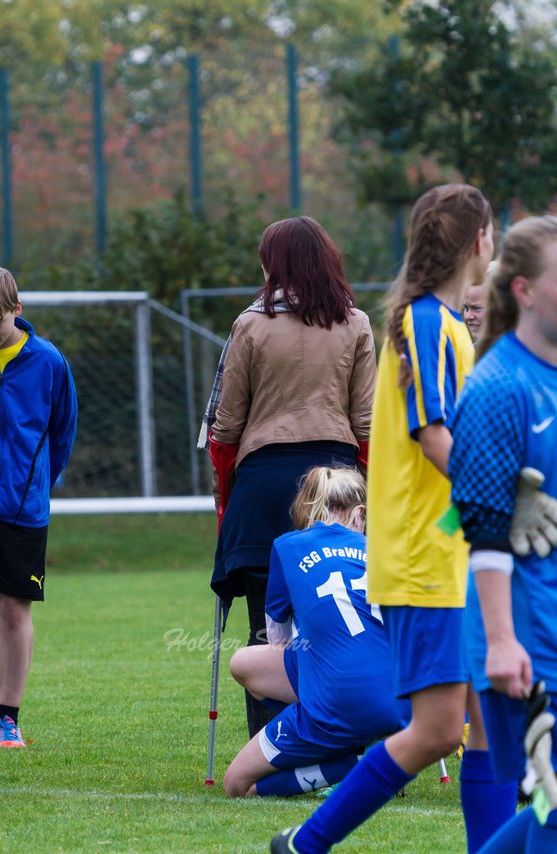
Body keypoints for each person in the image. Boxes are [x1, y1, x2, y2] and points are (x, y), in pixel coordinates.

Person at [271, 184, 494, 854]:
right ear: (477, 242)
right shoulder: (425, 321)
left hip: (453, 552)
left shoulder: (450, 326)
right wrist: (507, 495)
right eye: (491, 234)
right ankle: (306, 844)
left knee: (483, 724)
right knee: (437, 731)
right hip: (426, 560)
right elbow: (435, 436)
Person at [205, 216, 375, 740]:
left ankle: (271, 746)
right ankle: (344, 737)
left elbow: (225, 425)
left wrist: (224, 499)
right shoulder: (356, 323)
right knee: (346, 616)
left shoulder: (249, 325)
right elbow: (367, 422)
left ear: (274, 265)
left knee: (267, 622)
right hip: (337, 485)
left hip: (263, 483)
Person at [449, 214, 557, 852]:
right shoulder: (497, 386)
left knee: (546, 812)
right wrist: (499, 643)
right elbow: (482, 529)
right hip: (526, 644)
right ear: (524, 291)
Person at [223, 466, 407, 798]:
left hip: (338, 702)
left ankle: (346, 764)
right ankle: (364, 747)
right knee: (245, 663)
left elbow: (276, 638)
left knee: (238, 785)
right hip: (403, 701)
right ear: (360, 513)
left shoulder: (287, 545)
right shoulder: (386, 550)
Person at [0, 265, 77, 750]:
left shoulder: (49, 361)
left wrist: (38, 486)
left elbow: (63, 432)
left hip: (23, 503)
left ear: (17, 309)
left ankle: (5, 717)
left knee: (13, 610)